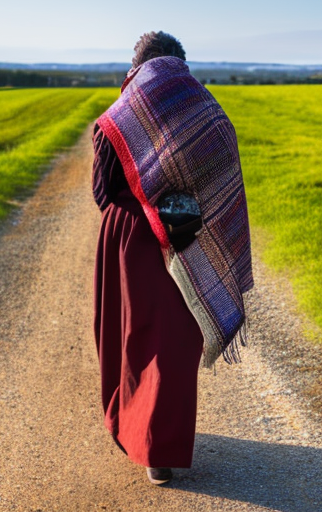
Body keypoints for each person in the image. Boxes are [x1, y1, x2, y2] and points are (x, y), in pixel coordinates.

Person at [92, 31, 253, 485]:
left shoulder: (117, 120)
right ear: (181, 66)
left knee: (129, 337)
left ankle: (135, 432)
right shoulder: (212, 114)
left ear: (137, 68)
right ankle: (160, 452)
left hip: (129, 242)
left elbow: (102, 193)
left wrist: (142, 198)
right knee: (174, 346)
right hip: (190, 242)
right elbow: (227, 189)